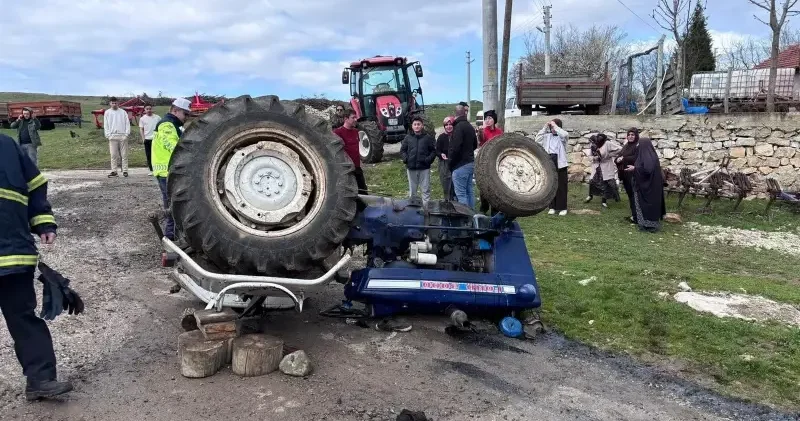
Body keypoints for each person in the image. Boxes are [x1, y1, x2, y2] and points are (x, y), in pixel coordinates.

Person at [0, 133, 73, 401]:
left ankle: (41, 380)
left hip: (13, 254)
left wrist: (43, 222)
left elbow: (35, 185)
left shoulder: (7, 146)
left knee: (24, 318)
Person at [151, 98, 192, 241]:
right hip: (166, 172)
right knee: (173, 207)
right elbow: (173, 146)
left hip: (168, 172)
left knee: (174, 205)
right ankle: (171, 238)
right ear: (175, 110)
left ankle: (174, 236)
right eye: (185, 114)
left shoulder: (173, 124)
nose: (186, 118)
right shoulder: (167, 125)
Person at [625, 138, 666, 233]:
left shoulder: (647, 157)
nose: (637, 146)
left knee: (644, 205)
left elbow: (647, 170)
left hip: (646, 187)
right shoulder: (650, 156)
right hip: (649, 187)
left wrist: (635, 169)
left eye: (639, 144)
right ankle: (645, 224)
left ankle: (647, 225)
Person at [535, 119, 569, 215]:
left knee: (561, 185)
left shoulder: (562, 138)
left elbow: (565, 134)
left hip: (560, 163)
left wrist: (555, 126)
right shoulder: (547, 136)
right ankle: (552, 206)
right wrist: (545, 127)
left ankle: (563, 207)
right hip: (549, 161)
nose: (552, 129)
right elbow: (537, 139)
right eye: (551, 127)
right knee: (551, 185)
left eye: (553, 127)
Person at [448, 103, 478, 208]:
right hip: (470, 163)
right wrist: (468, 152)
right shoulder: (469, 126)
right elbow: (475, 144)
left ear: (454, 114)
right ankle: (472, 215)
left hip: (460, 165)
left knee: (461, 194)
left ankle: (466, 219)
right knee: (469, 191)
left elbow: (455, 148)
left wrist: (450, 162)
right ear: (464, 113)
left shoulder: (458, 127)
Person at [400, 116, 436, 202]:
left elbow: (433, 151)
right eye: (415, 124)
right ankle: (413, 212)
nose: (417, 126)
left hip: (424, 169)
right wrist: (406, 159)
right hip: (411, 168)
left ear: (422, 126)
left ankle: (426, 211)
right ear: (412, 126)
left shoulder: (427, 138)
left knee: (425, 191)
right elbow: (402, 150)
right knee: (413, 192)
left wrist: (428, 160)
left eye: (418, 124)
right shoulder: (408, 138)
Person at [333, 109, 368, 194]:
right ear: (346, 119)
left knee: (363, 191)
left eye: (356, 117)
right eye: (353, 117)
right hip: (346, 169)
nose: (355, 119)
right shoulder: (337, 133)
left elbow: (356, 148)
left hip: (357, 167)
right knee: (350, 193)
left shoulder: (356, 132)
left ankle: (363, 207)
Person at [477, 110, 504, 214]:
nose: (487, 120)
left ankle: (495, 209)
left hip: (496, 162)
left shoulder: (499, 132)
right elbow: (480, 142)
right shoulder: (483, 131)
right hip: (485, 162)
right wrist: (479, 133)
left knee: (496, 186)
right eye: (486, 118)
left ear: (494, 120)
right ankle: (484, 207)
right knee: (484, 186)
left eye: (490, 118)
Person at [584, 133, 622, 208]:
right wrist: (594, 158)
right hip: (597, 166)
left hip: (606, 166)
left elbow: (620, 149)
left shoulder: (607, 144)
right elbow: (590, 156)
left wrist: (609, 155)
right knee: (592, 181)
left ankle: (604, 201)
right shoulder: (593, 145)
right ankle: (590, 195)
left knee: (605, 183)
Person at [615, 128, 640, 223]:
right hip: (625, 175)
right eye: (629, 134)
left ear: (636, 136)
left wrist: (623, 159)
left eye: (632, 135)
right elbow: (619, 155)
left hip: (633, 175)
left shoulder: (638, 146)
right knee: (630, 195)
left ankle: (637, 217)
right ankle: (634, 215)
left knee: (635, 196)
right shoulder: (626, 146)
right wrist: (617, 160)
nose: (630, 136)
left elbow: (637, 158)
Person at [103, 97, 132, 178]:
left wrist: (126, 134)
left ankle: (125, 170)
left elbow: (127, 123)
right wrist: (108, 135)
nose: (114, 104)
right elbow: (106, 125)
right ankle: (114, 171)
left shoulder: (123, 112)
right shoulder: (107, 112)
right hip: (112, 136)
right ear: (110, 103)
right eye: (113, 103)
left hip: (122, 135)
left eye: (115, 103)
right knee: (113, 155)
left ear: (118, 103)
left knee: (124, 154)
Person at [436, 116, 456, 200]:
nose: (448, 126)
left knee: (455, 184)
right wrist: (441, 154)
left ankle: (455, 201)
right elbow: (437, 150)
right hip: (444, 164)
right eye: (446, 125)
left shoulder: (457, 136)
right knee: (446, 183)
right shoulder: (441, 137)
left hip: (455, 162)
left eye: (450, 124)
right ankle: (447, 200)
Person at [138, 105, 161, 176]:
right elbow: (141, 129)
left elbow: (161, 127)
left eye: (150, 109)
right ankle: (151, 170)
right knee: (149, 155)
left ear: (152, 109)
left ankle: (158, 169)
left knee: (157, 155)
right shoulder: (142, 119)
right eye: (147, 109)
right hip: (147, 139)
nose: (149, 110)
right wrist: (143, 139)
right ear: (144, 110)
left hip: (156, 139)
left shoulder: (157, 118)